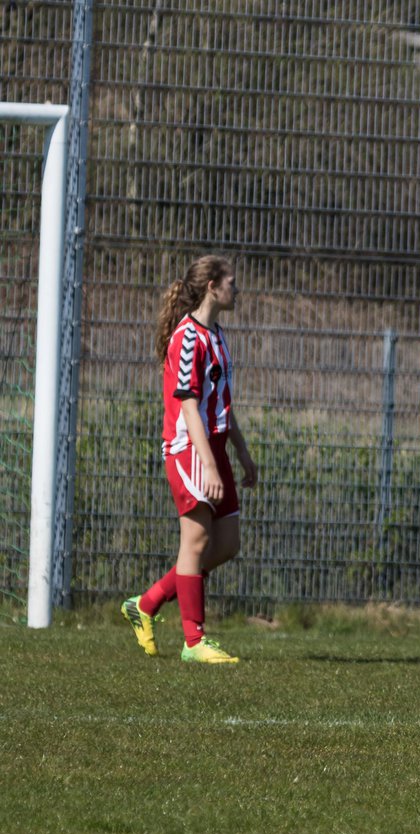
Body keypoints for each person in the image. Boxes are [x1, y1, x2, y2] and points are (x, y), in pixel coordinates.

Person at [120, 255, 257, 664]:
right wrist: (209, 464)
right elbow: (189, 407)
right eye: (232, 280)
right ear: (213, 286)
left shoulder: (218, 335)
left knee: (227, 544)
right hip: (188, 448)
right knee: (195, 542)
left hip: (214, 447)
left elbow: (222, 405)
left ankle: (146, 603)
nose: (238, 287)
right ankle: (194, 641)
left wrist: (242, 451)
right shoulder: (187, 337)